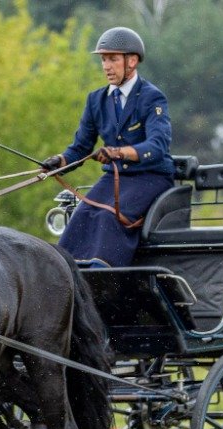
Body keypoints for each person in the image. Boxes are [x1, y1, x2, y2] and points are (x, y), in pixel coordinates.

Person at [42, 26, 175, 267]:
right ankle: (66, 275)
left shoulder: (152, 98)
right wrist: (59, 163)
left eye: (113, 59)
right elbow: (81, 148)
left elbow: (158, 145)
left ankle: (102, 274)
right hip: (114, 178)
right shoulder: (96, 100)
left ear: (132, 61)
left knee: (106, 216)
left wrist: (118, 152)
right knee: (80, 217)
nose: (106, 66)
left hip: (150, 177)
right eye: (103, 60)